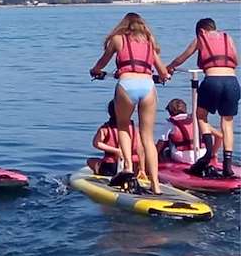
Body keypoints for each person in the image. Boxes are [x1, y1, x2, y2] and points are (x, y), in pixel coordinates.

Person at [89, 12, 170, 193]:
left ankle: (127, 168)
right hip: (148, 86)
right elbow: (163, 72)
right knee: (147, 137)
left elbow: (101, 63)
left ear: (124, 25)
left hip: (126, 84)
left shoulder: (118, 39)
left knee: (123, 126)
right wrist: (163, 76)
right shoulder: (149, 42)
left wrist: (95, 70)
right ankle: (155, 185)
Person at [165, 18, 238, 177]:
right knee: (227, 122)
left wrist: (169, 68)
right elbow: (235, 61)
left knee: (201, 115)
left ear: (201, 30)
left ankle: (208, 153)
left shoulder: (201, 38)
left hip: (212, 81)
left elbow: (181, 58)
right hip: (232, 81)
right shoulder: (228, 38)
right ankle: (227, 166)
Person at [155, 97, 220, 165]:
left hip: (184, 157)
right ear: (185, 109)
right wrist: (213, 153)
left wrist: (154, 154)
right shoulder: (197, 120)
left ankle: (162, 160)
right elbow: (220, 136)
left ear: (170, 112)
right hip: (203, 154)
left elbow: (161, 143)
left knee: (167, 140)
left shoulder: (170, 124)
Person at [87, 100, 142, 177]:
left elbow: (96, 143)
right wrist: (142, 168)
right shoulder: (134, 128)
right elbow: (140, 148)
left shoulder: (106, 128)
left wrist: (116, 151)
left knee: (90, 161)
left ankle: (99, 170)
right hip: (134, 166)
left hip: (111, 166)